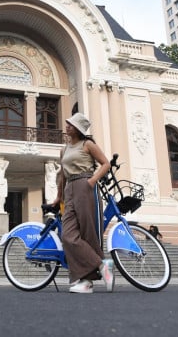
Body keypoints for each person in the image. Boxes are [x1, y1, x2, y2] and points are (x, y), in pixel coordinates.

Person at [50, 112, 115, 294]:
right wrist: (59, 196)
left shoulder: (88, 144)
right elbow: (62, 175)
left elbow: (105, 164)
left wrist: (92, 181)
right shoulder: (64, 149)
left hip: (85, 185)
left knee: (88, 234)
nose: (67, 126)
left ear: (78, 128)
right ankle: (102, 265)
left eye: (71, 124)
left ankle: (87, 282)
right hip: (70, 189)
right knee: (68, 235)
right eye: (67, 123)